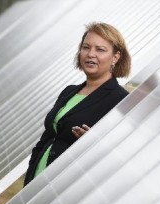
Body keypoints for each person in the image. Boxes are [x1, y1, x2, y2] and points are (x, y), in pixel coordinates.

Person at [24, 22, 131, 186]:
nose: (90, 54)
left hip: (70, 187)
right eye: (86, 47)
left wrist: (94, 144)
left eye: (100, 50)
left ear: (115, 57)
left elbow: (120, 156)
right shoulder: (69, 91)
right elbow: (47, 138)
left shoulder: (120, 100)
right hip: (36, 180)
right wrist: (30, 177)